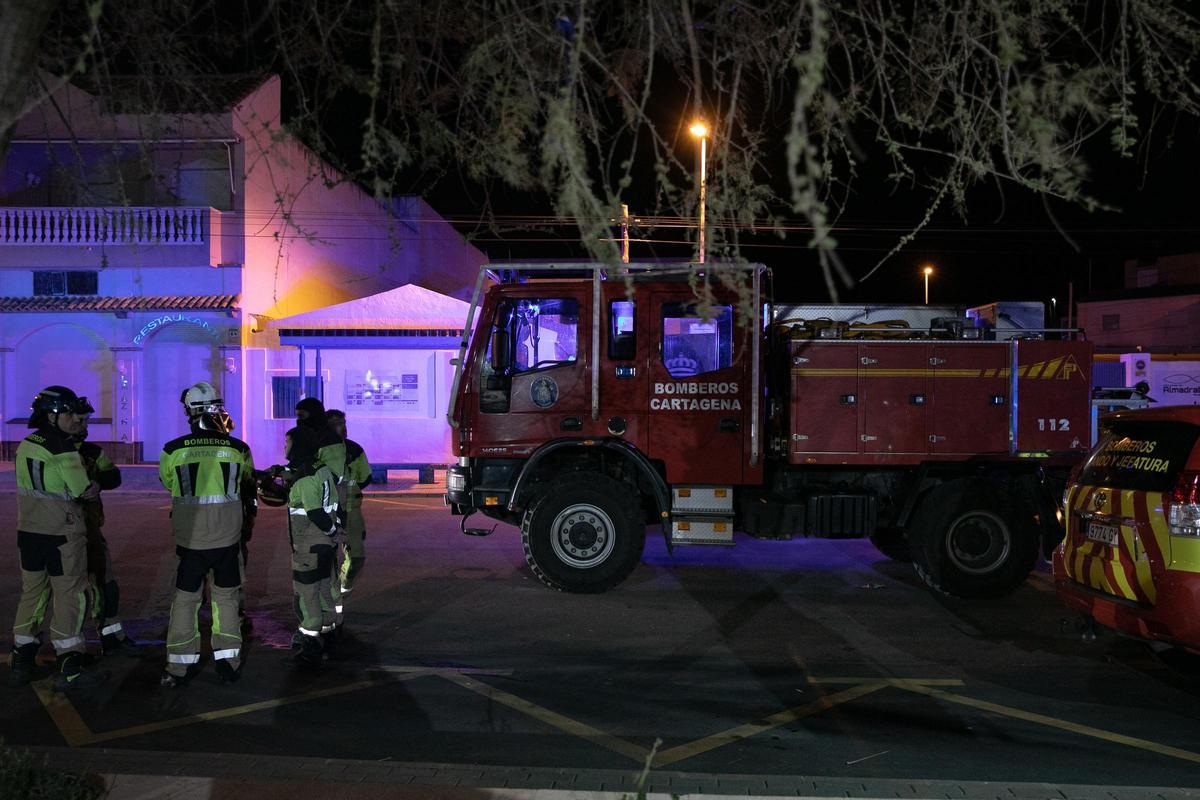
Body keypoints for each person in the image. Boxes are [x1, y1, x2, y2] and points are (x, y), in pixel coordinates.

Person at [8, 386, 106, 691]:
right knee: (70, 594)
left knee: (32, 594)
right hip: (62, 535)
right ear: (53, 415)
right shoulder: (64, 449)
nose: (76, 418)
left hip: (29, 533)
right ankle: (69, 661)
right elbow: (82, 489)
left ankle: (22, 657)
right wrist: (96, 486)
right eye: (70, 412)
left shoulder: (26, 445)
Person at [157, 382, 255, 687]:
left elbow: (168, 482)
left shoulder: (172, 450)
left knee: (185, 601)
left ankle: (179, 667)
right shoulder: (239, 449)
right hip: (228, 540)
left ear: (189, 412)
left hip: (190, 542)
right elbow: (247, 482)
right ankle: (227, 662)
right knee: (226, 600)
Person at [74, 415, 140, 657]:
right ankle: (57, 649)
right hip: (58, 533)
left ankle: (111, 636)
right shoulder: (49, 452)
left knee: (106, 583)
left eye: (85, 421)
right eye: (78, 420)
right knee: (63, 593)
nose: (84, 426)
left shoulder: (92, 451)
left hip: (90, 530)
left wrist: (98, 482)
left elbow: (113, 475)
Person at [279, 425, 340, 666]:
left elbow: (314, 511)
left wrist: (331, 530)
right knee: (324, 587)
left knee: (306, 592)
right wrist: (334, 533)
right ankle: (328, 633)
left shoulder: (303, 478)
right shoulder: (322, 469)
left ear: (299, 445)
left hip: (309, 544)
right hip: (326, 545)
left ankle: (310, 641)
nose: (285, 447)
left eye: (287, 442)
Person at [325, 410, 372, 622]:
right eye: (335, 423)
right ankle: (330, 605)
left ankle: (344, 586)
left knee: (357, 557)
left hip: (352, 510)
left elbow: (365, 477)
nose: (341, 427)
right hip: (328, 512)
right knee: (326, 560)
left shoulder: (354, 450)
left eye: (342, 422)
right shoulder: (321, 449)